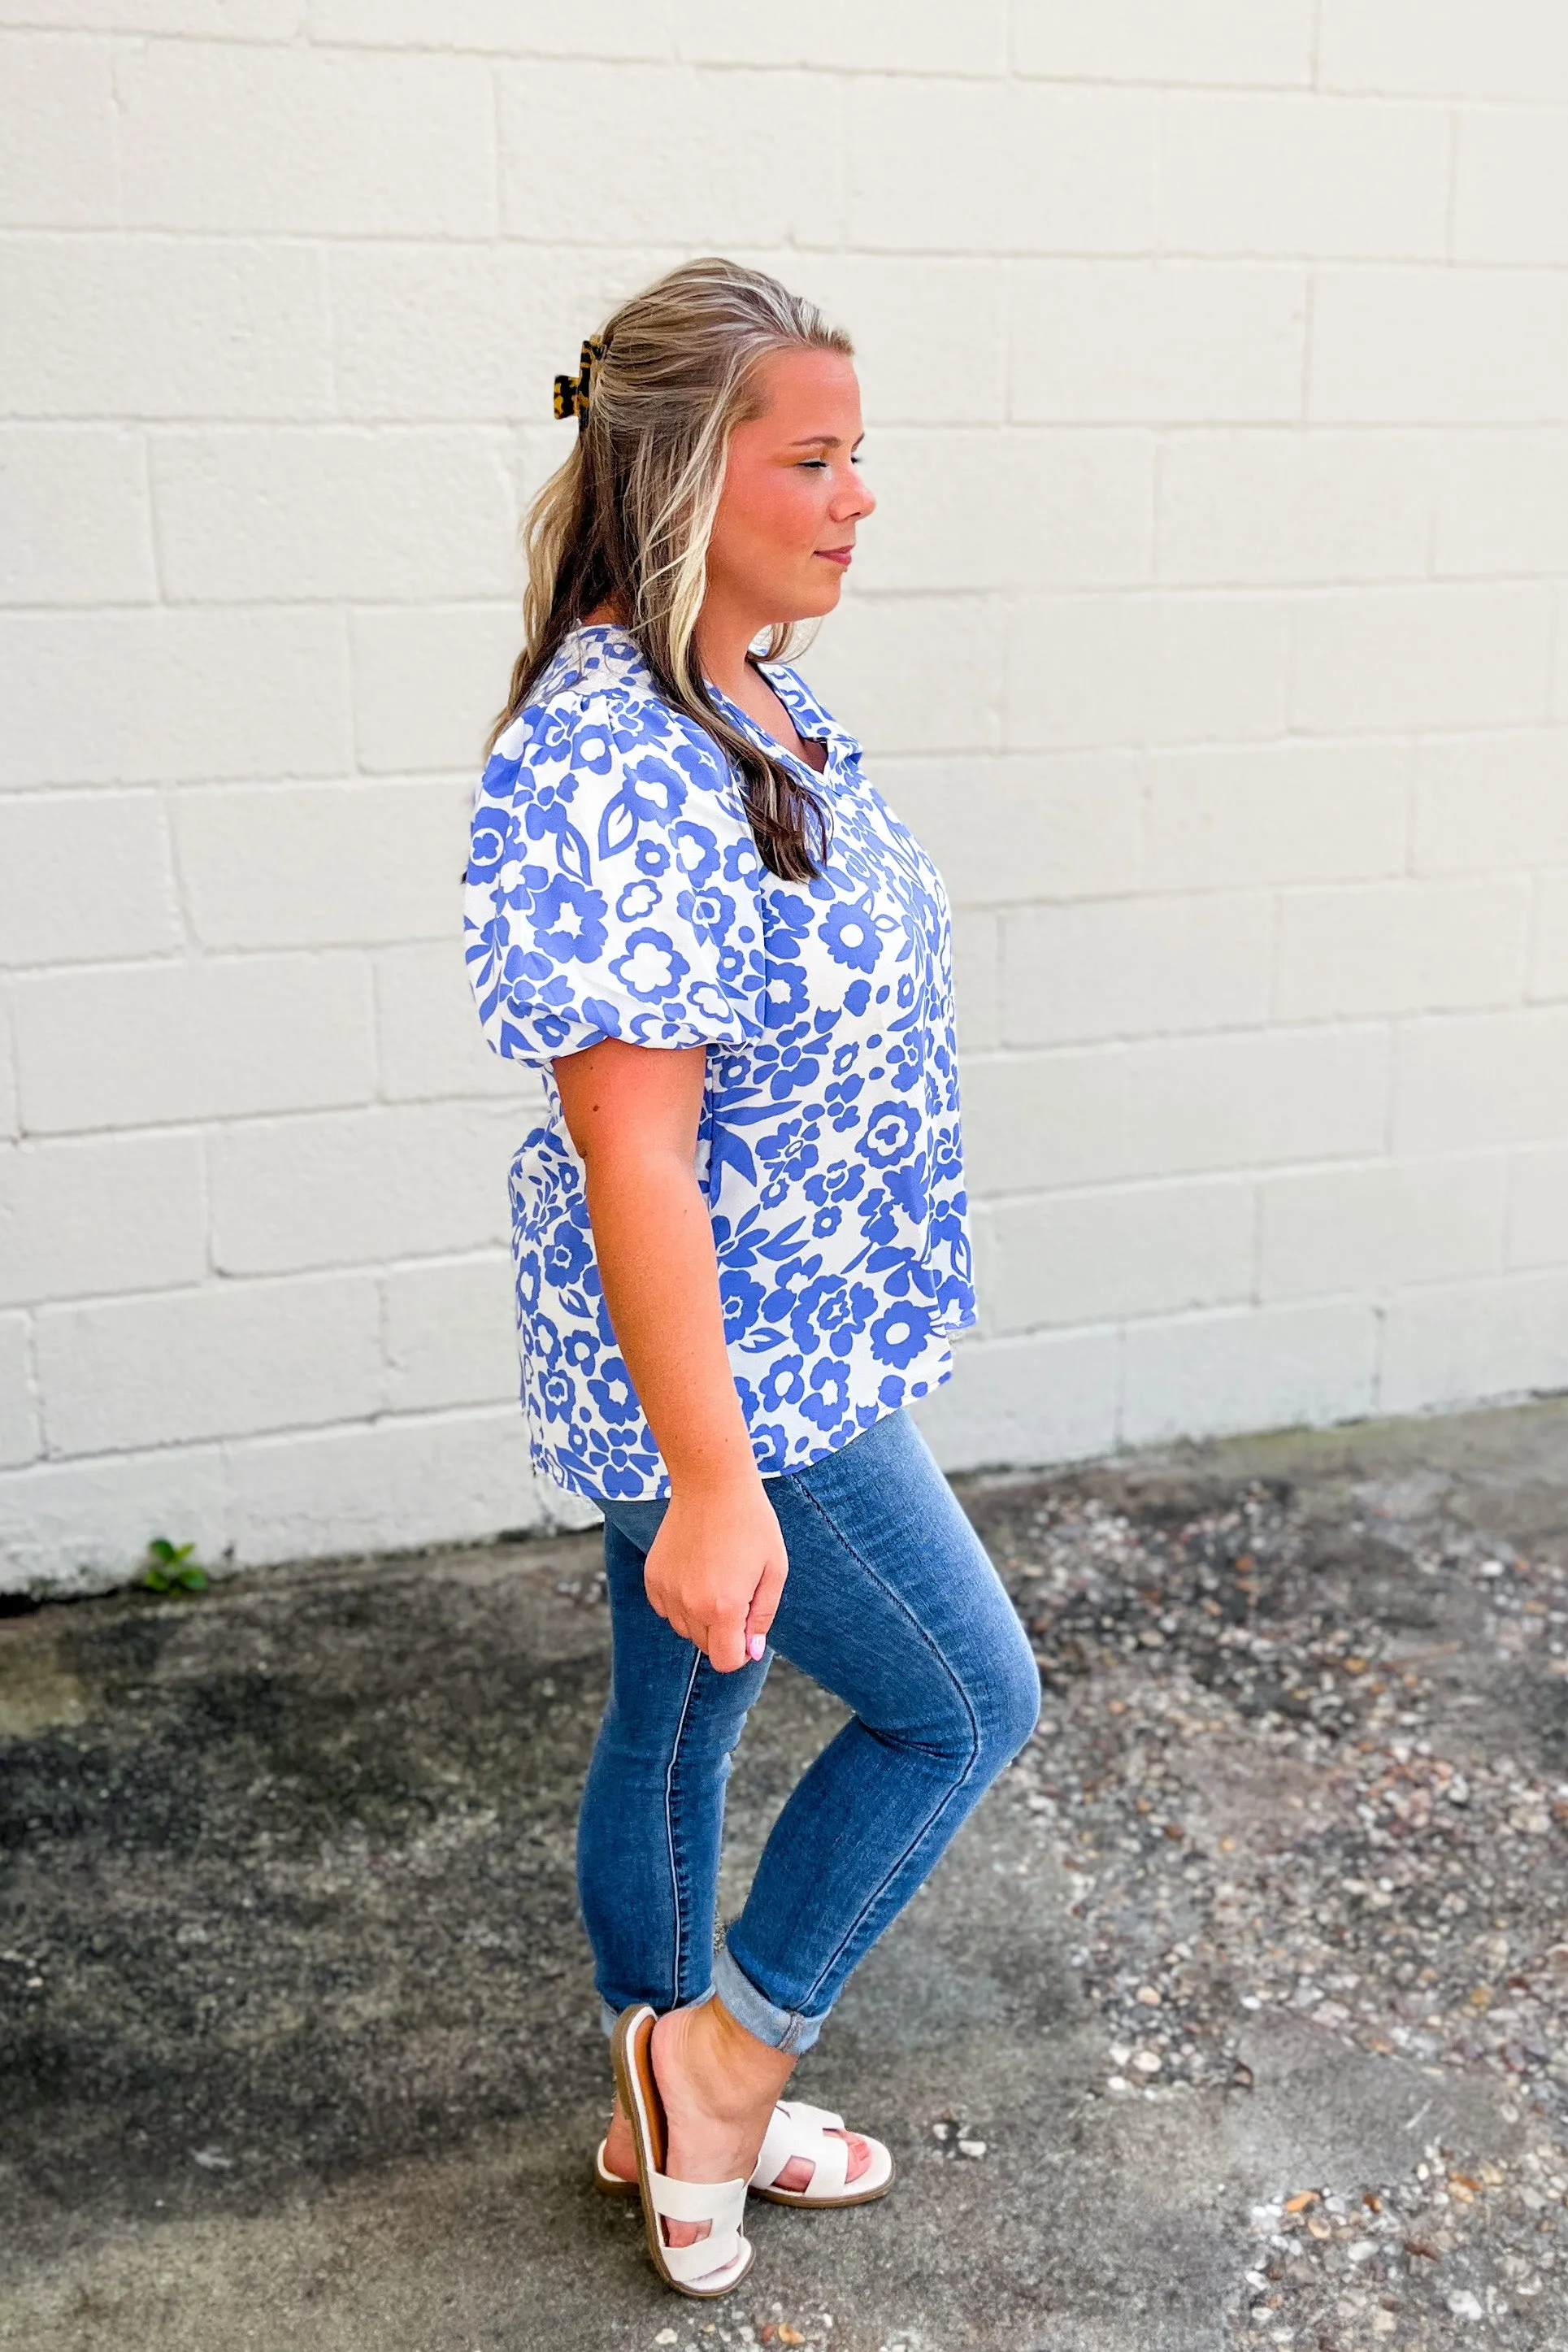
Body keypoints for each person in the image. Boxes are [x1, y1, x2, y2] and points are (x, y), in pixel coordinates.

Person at [463, 258, 1040, 2301]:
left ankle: (657, 2106)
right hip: (739, 1376)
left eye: (858, 455)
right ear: (690, 472)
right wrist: (712, 1478)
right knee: (964, 1700)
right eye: (815, 458)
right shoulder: (613, 755)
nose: (859, 496)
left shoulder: (754, 692)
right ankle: (720, 2060)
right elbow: (636, 1156)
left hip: (791, 1332)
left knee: (682, 1715)